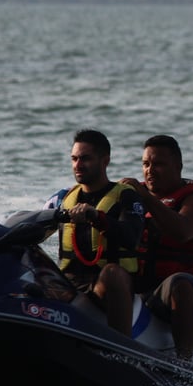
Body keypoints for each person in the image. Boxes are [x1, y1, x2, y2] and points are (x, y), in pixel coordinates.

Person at [121, 134, 193, 361]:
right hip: (143, 291)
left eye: (158, 164)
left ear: (178, 166)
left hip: (189, 295)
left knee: (180, 283)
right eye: (145, 164)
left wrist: (145, 197)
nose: (150, 171)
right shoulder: (133, 196)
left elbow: (182, 231)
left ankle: (185, 360)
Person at [53, 129, 145, 335]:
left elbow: (131, 237)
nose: (78, 165)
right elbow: (38, 223)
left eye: (85, 158)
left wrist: (97, 218)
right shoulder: (64, 198)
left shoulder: (126, 196)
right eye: (74, 159)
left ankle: (121, 346)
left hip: (107, 285)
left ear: (105, 161)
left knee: (112, 272)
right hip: (69, 283)